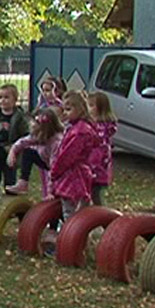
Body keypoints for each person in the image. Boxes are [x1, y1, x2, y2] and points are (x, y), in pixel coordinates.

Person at [49, 91, 97, 222]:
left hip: (74, 176)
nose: (64, 113)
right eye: (64, 109)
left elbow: (67, 156)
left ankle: (70, 238)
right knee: (76, 210)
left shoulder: (80, 132)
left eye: (68, 109)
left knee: (70, 212)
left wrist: (55, 172)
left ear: (80, 109)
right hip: (76, 174)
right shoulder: (75, 128)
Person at [5, 108, 65, 197]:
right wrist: (12, 151)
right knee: (28, 152)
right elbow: (23, 142)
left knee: (57, 185)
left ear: (44, 126)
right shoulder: (39, 134)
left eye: (34, 122)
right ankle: (23, 183)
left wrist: (50, 192)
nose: (31, 124)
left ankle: (55, 191)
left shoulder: (56, 143)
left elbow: (54, 169)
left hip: (61, 168)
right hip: (47, 161)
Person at [87, 91, 117, 206]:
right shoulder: (92, 125)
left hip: (97, 171)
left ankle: (104, 219)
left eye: (91, 106)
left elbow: (98, 153)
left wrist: (92, 167)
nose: (88, 109)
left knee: (95, 196)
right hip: (92, 170)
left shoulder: (100, 130)